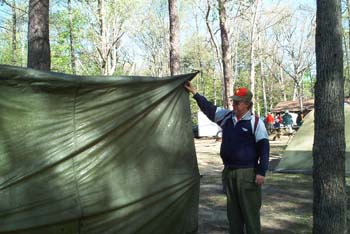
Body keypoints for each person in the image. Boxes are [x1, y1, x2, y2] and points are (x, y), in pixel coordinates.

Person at [184, 81, 269, 234]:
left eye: (237, 102)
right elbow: (209, 109)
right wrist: (195, 94)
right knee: (233, 214)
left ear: (247, 104)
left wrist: (261, 172)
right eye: (233, 101)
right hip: (229, 172)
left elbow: (264, 149)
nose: (234, 104)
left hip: (248, 174)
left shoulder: (256, 122)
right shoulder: (227, 117)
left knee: (250, 214)